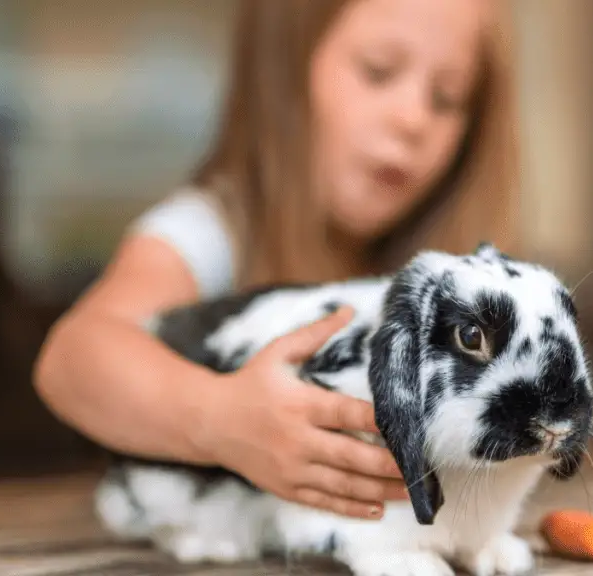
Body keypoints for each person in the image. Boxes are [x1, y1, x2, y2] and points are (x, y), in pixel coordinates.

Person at [33, 0, 521, 522]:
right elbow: (72, 361)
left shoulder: (444, 277)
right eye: (378, 71)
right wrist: (217, 418)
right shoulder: (211, 231)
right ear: (280, 74)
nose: (413, 118)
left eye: (447, 98)